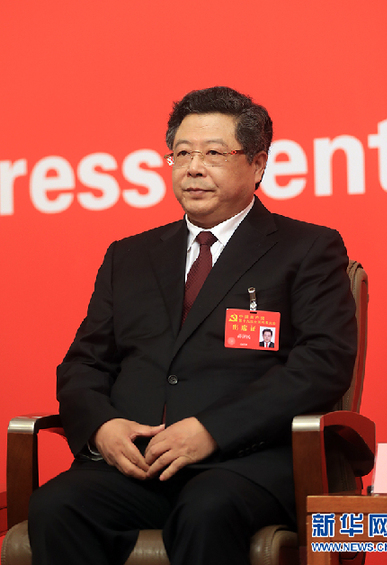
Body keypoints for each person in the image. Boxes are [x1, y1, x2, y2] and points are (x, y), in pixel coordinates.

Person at [28, 86, 357, 565]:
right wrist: (102, 427)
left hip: (246, 463)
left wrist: (212, 430)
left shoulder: (306, 248)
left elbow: (323, 363)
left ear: (258, 165)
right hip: (140, 464)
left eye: (213, 153)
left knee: (207, 510)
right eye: (182, 153)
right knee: (57, 507)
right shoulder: (129, 256)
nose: (193, 168)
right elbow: (84, 364)